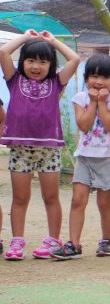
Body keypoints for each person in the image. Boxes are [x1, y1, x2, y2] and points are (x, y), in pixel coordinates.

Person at [0, 30, 80, 260]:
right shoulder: (14, 80)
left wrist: (53, 41)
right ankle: (17, 242)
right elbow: (4, 51)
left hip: (49, 150)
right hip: (21, 151)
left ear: (51, 64)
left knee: (51, 197)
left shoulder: (57, 83)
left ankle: (53, 241)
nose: (36, 66)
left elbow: (74, 59)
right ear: (22, 62)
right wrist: (25, 37)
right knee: (20, 198)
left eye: (43, 61)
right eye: (30, 60)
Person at [52, 54, 110, 260]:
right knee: (77, 200)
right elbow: (83, 125)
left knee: (104, 203)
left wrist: (102, 102)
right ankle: (74, 244)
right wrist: (93, 102)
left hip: (107, 157)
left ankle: (106, 240)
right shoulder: (80, 98)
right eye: (94, 76)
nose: (99, 81)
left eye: (104, 77)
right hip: (84, 156)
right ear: (86, 78)